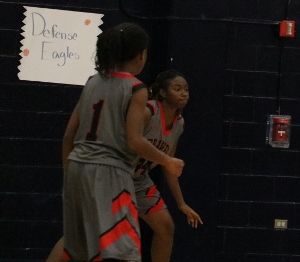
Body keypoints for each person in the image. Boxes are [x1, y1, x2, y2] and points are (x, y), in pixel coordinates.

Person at [59, 23, 184, 262]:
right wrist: (167, 161)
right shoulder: (136, 88)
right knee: (122, 251)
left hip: (76, 167)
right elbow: (135, 141)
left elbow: (68, 136)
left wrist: (69, 173)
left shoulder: (92, 81)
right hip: (110, 171)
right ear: (141, 55)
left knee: (80, 247)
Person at [132, 69, 203, 262]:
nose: (183, 93)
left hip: (139, 179)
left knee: (165, 227)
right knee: (92, 233)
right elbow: (129, 141)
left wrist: (181, 203)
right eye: (177, 89)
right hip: (118, 174)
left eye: (186, 89)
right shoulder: (148, 111)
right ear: (163, 92)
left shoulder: (179, 123)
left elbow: (168, 164)